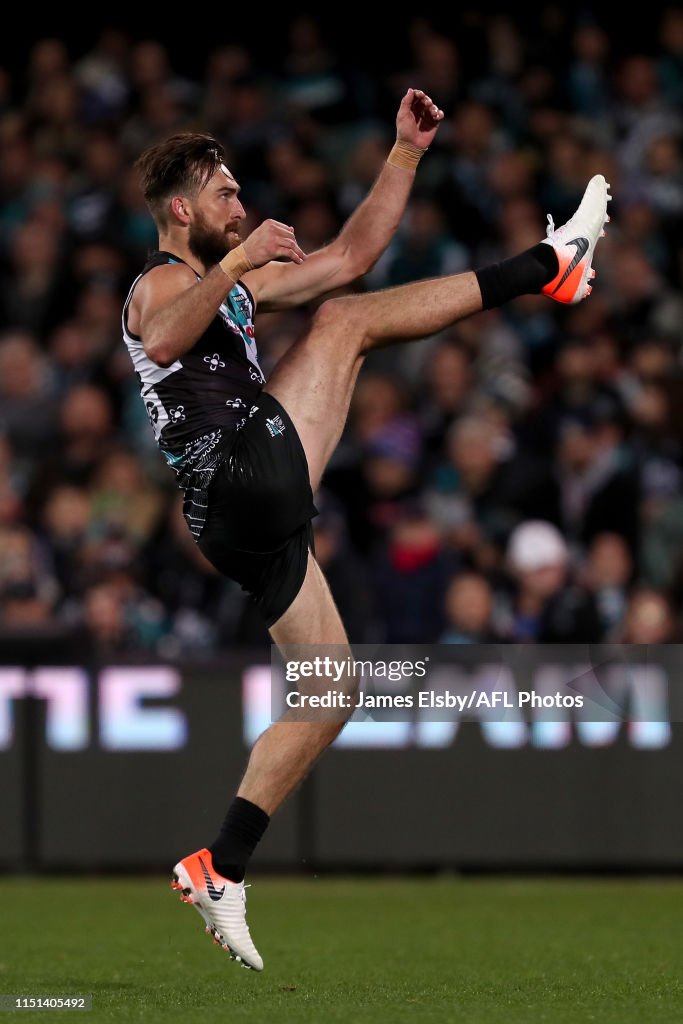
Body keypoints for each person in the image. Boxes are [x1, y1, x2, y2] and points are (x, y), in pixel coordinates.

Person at [123, 95, 611, 969]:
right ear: (183, 211)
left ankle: (219, 866)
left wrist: (402, 155)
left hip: (242, 523)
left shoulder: (233, 284)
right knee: (345, 326)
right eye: (226, 194)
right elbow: (160, 341)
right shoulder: (160, 282)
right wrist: (236, 258)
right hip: (237, 475)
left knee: (330, 690)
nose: (243, 205)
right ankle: (549, 265)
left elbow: (352, 256)